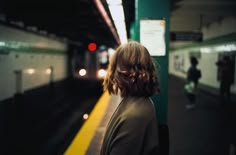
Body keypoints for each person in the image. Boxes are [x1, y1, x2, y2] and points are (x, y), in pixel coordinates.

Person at [100, 41, 160, 155]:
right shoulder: (137, 102)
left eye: (115, 67)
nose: (112, 74)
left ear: (123, 72)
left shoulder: (134, 116)